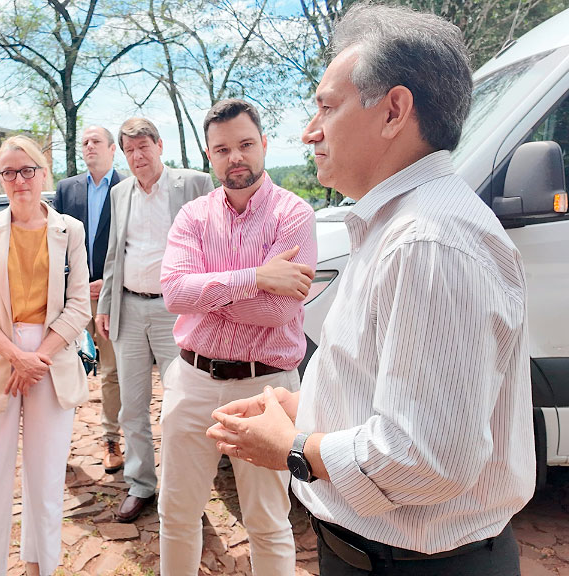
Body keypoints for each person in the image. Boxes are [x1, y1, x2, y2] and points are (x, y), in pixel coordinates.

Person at [208, 5, 534, 576]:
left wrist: (294, 449)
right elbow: (392, 392)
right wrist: (305, 410)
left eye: (327, 107)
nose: (310, 130)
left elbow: (427, 457)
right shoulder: (400, 225)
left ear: (393, 111)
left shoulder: (429, 241)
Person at [159, 99, 316, 575]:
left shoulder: (293, 214)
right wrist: (256, 277)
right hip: (192, 381)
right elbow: (174, 293)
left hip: (266, 386)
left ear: (264, 144)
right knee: (177, 514)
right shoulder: (192, 216)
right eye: (223, 149)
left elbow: (279, 310)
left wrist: (207, 290)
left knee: (267, 521)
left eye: (246, 144)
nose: (236, 157)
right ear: (210, 155)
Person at [0, 135, 92, 576]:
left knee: (46, 476)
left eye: (27, 170)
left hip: (51, 360)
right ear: (0, 178)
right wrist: (16, 356)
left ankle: (39, 566)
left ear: (43, 174)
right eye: (9, 172)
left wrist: (37, 358)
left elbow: (79, 305)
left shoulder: (70, 230)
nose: (19, 180)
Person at [96, 117, 214, 523]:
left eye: (143, 147)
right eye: (129, 150)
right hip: (129, 309)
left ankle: (187, 490)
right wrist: (106, 304)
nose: (137, 156)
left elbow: (216, 243)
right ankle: (141, 484)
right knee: (132, 406)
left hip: (176, 311)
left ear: (160, 146)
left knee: (183, 403)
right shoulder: (120, 193)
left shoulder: (194, 184)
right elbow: (115, 253)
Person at [54, 125, 125, 474]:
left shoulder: (127, 188)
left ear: (112, 149)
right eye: (84, 142)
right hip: (72, 296)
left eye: (96, 141)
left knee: (111, 371)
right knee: (66, 366)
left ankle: (111, 439)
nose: (89, 147)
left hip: (112, 297)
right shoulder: (67, 188)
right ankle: (58, 441)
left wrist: (106, 284)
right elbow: (55, 241)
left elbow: (131, 244)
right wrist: (77, 282)